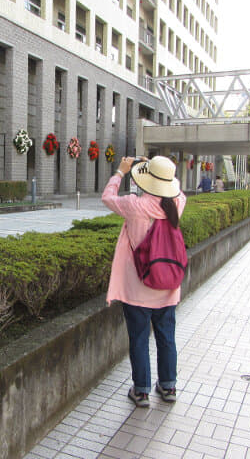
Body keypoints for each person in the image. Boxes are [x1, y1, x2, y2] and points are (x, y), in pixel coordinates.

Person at [102, 156, 187, 407]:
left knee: (139, 338)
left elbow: (107, 197)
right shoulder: (177, 204)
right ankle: (168, 386)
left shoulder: (134, 205)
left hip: (138, 288)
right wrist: (160, 169)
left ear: (147, 179)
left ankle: (141, 391)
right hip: (167, 287)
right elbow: (177, 187)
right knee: (166, 337)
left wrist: (121, 171)